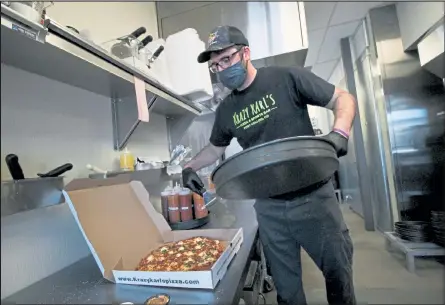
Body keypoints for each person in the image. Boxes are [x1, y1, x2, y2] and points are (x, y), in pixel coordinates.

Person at [182, 25, 357, 305]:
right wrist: (189, 167)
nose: (222, 69)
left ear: (246, 53)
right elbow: (215, 149)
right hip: (269, 207)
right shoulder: (226, 109)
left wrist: (340, 132)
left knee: (338, 278)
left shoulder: (286, 77)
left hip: (313, 198)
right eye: (215, 66)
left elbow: (342, 98)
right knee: (287, 293)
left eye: (226, 59)